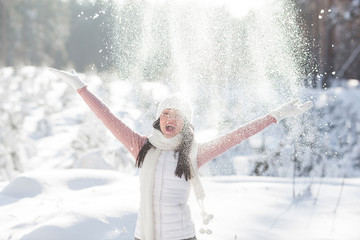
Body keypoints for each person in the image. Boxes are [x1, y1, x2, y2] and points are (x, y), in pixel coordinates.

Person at [49, 69, 313, 240]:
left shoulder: (193, 153)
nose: (170, 118)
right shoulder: (141, 145)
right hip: (143, 236)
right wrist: (81, 87)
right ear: (158, 119)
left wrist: (274, 115)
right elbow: (108, 118)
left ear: (185, 123)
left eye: (177, 115)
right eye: (166, 113)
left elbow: (237, 136)